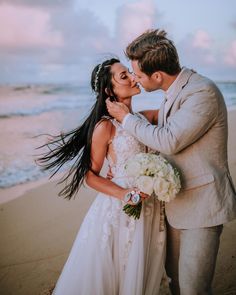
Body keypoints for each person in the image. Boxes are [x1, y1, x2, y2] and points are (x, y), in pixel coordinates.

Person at [106, 29, 236, 295]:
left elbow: (169, 140)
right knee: (176, 284)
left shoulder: (202, 92)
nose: (136, 80)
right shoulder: (174, 90)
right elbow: (166, 129)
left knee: (192, 290)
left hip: (202, 207)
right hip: (176, 205)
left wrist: (126, 119)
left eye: (139, 75)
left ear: (157, 75)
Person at [38, 58, 168, 295]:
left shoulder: (143, 119)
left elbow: (174, 108)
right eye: (123, 76)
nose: (131, 77)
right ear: (109, 90)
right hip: (120, 208)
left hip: (149, 207)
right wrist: (124, 194)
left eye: (129, 72)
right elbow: (90, 175)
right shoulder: (105, 127)